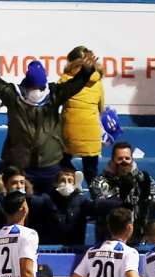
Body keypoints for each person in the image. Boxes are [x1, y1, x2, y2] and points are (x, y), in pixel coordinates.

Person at [0, 51, 96, 194]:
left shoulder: (54, 95)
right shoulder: (14, 96)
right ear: (27, 85)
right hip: (21, 167)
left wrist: (86, 72)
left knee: (51, 207)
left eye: (40, 87)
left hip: (50, 164)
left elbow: (74, 85)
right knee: (16, 205)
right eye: (33, 87)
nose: (36, 92)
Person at [89, 142, 155, 244]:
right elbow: (99, 202)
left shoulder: (143, 178)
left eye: (127, 158)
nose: (124, 162)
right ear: (112, 161)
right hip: (110, 240)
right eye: (120, 159)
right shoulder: (100, 180)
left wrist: (145, 198)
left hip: (139, 238)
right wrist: (122, 199)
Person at [59, 46, 105, 184]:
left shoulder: (64, 80)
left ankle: (72, 175)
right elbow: (101, 107)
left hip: (69, 131)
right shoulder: (98, 82)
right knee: (91, 170)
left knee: (61, 161)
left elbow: (58, 101)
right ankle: (98, 199)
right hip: (91, 132)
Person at [0, 167, 54, 237]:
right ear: (6, 185)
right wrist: (1, 192)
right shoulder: (1, 199)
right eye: (14, 183)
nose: (19, 186)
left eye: (22, 182)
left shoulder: (33, 201)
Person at [42, 168, 95, 246]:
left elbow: (97, 209)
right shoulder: (47, 201)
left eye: (70, 181)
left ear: (75, 184)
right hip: (52, 248)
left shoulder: (82, 201)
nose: (66, 184)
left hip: (76, 248)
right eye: (63, 180)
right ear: (56, 183)